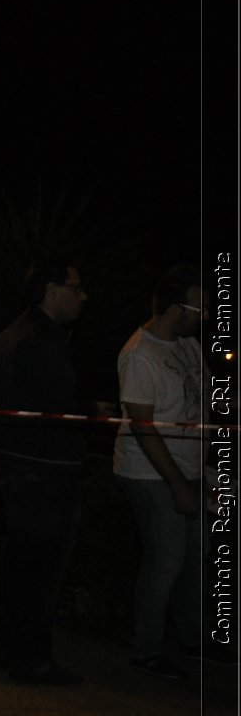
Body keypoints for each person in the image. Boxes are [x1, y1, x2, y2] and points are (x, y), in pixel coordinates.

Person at [0, 261, 97, 685]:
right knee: (40, 571)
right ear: (52, 290)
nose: (83, 296)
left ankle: (12, 650)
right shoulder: (37, 342)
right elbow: (54, 409)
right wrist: (90, 415)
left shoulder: (16, 335)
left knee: (22, 567)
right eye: (76, 287)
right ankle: (30, 657)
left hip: (20, 470)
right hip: (42, 473)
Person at [113, 265, 208, 680]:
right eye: (198, 308)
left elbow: (201, 400)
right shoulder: (140, 354)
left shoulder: (188, 346)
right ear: (173, 308)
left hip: (189, 469)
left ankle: (191, 639)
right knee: (165, 559)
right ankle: (146, 650)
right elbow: (143, 426)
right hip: (150, 474)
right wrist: (177, 485)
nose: (205, 316)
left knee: (195, 557)